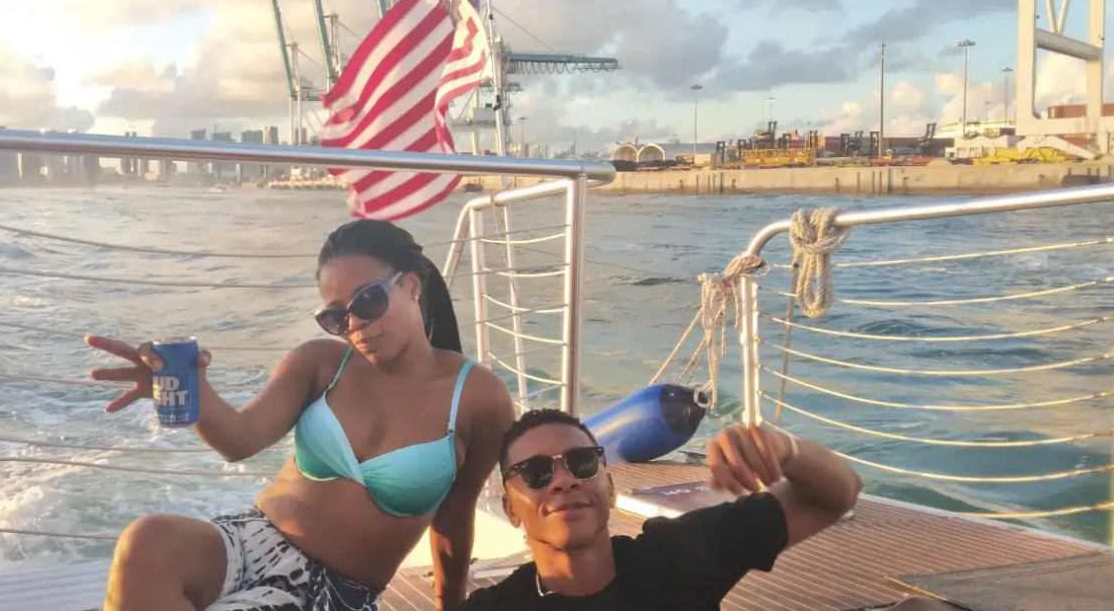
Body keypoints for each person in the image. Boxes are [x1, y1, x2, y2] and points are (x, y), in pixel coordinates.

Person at [86, 219, 515, 611]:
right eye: (336, 315)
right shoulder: (322, 364)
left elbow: (454, 520)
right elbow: (238, 440)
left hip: (331, 593)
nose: (354, 323)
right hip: (249, 539)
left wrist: (450, 606)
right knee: (147, 541)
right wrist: (188, 386)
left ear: (411, 286)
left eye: (367, 301)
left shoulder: (477, 397)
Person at [457, 408, 863, 610]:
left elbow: (835, 496)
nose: (564, 481)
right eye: (536, 472)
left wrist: (786, 451)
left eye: (582, 463)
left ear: (610, 487)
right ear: (511, 509)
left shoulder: (679, 556)